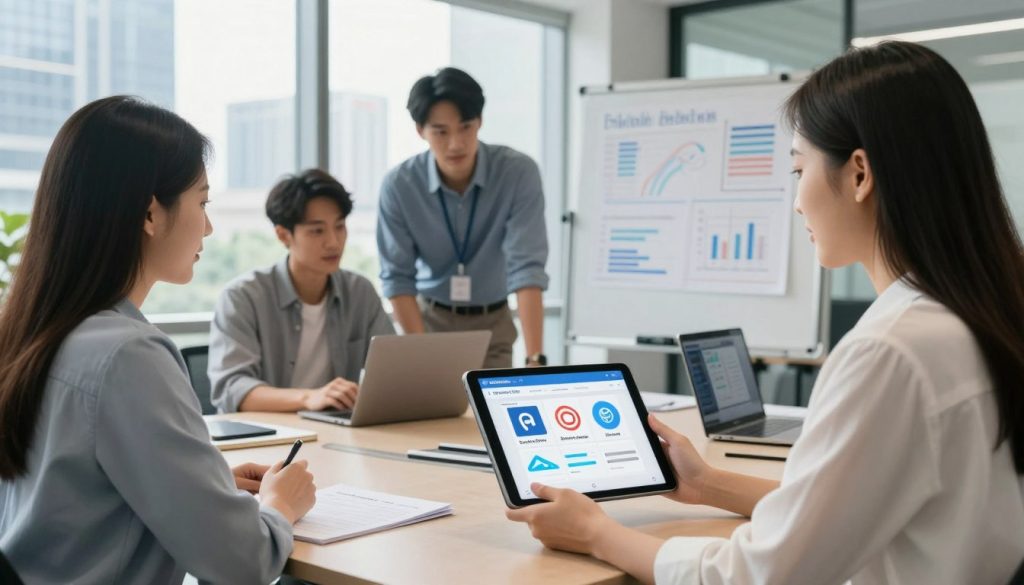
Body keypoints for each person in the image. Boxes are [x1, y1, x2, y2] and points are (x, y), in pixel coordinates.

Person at [506, 41, 1024, 584]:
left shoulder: (892, 353)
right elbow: (842, 510)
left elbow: (762, 574)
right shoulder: (978, 316)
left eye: (799, 168)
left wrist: (597, 533)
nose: (797, 200)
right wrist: (708, 484)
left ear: (859, 174)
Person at [0, 96, 317, 584]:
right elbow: (242, 564)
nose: (208, 226)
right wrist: (280, 505)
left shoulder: (33, 331)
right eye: (203, 203)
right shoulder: (127, 354)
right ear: (151, 214)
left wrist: (200, 490)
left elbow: (66, 496)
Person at [377, 67, 549, 368]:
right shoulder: (400, 185)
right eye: (441, 131)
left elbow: (527, 269)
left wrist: (535, 358)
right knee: (433, 412)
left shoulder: (517, 173)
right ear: (420, 130)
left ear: (480, 122)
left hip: (493, 325)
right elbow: (397, 278)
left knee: (493, 413)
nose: (455, 143)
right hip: (428, 323)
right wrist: (419, 351)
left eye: (466, 127)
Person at [209, 169, 395, 413]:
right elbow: (232, 389)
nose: (333, 242)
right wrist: (309, 398)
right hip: (271, 436)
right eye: (317, 231)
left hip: (340, 432)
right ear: (283, 235)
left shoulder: (359, 292)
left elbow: (393, 375)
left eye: (339, 226)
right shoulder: (243, 297)